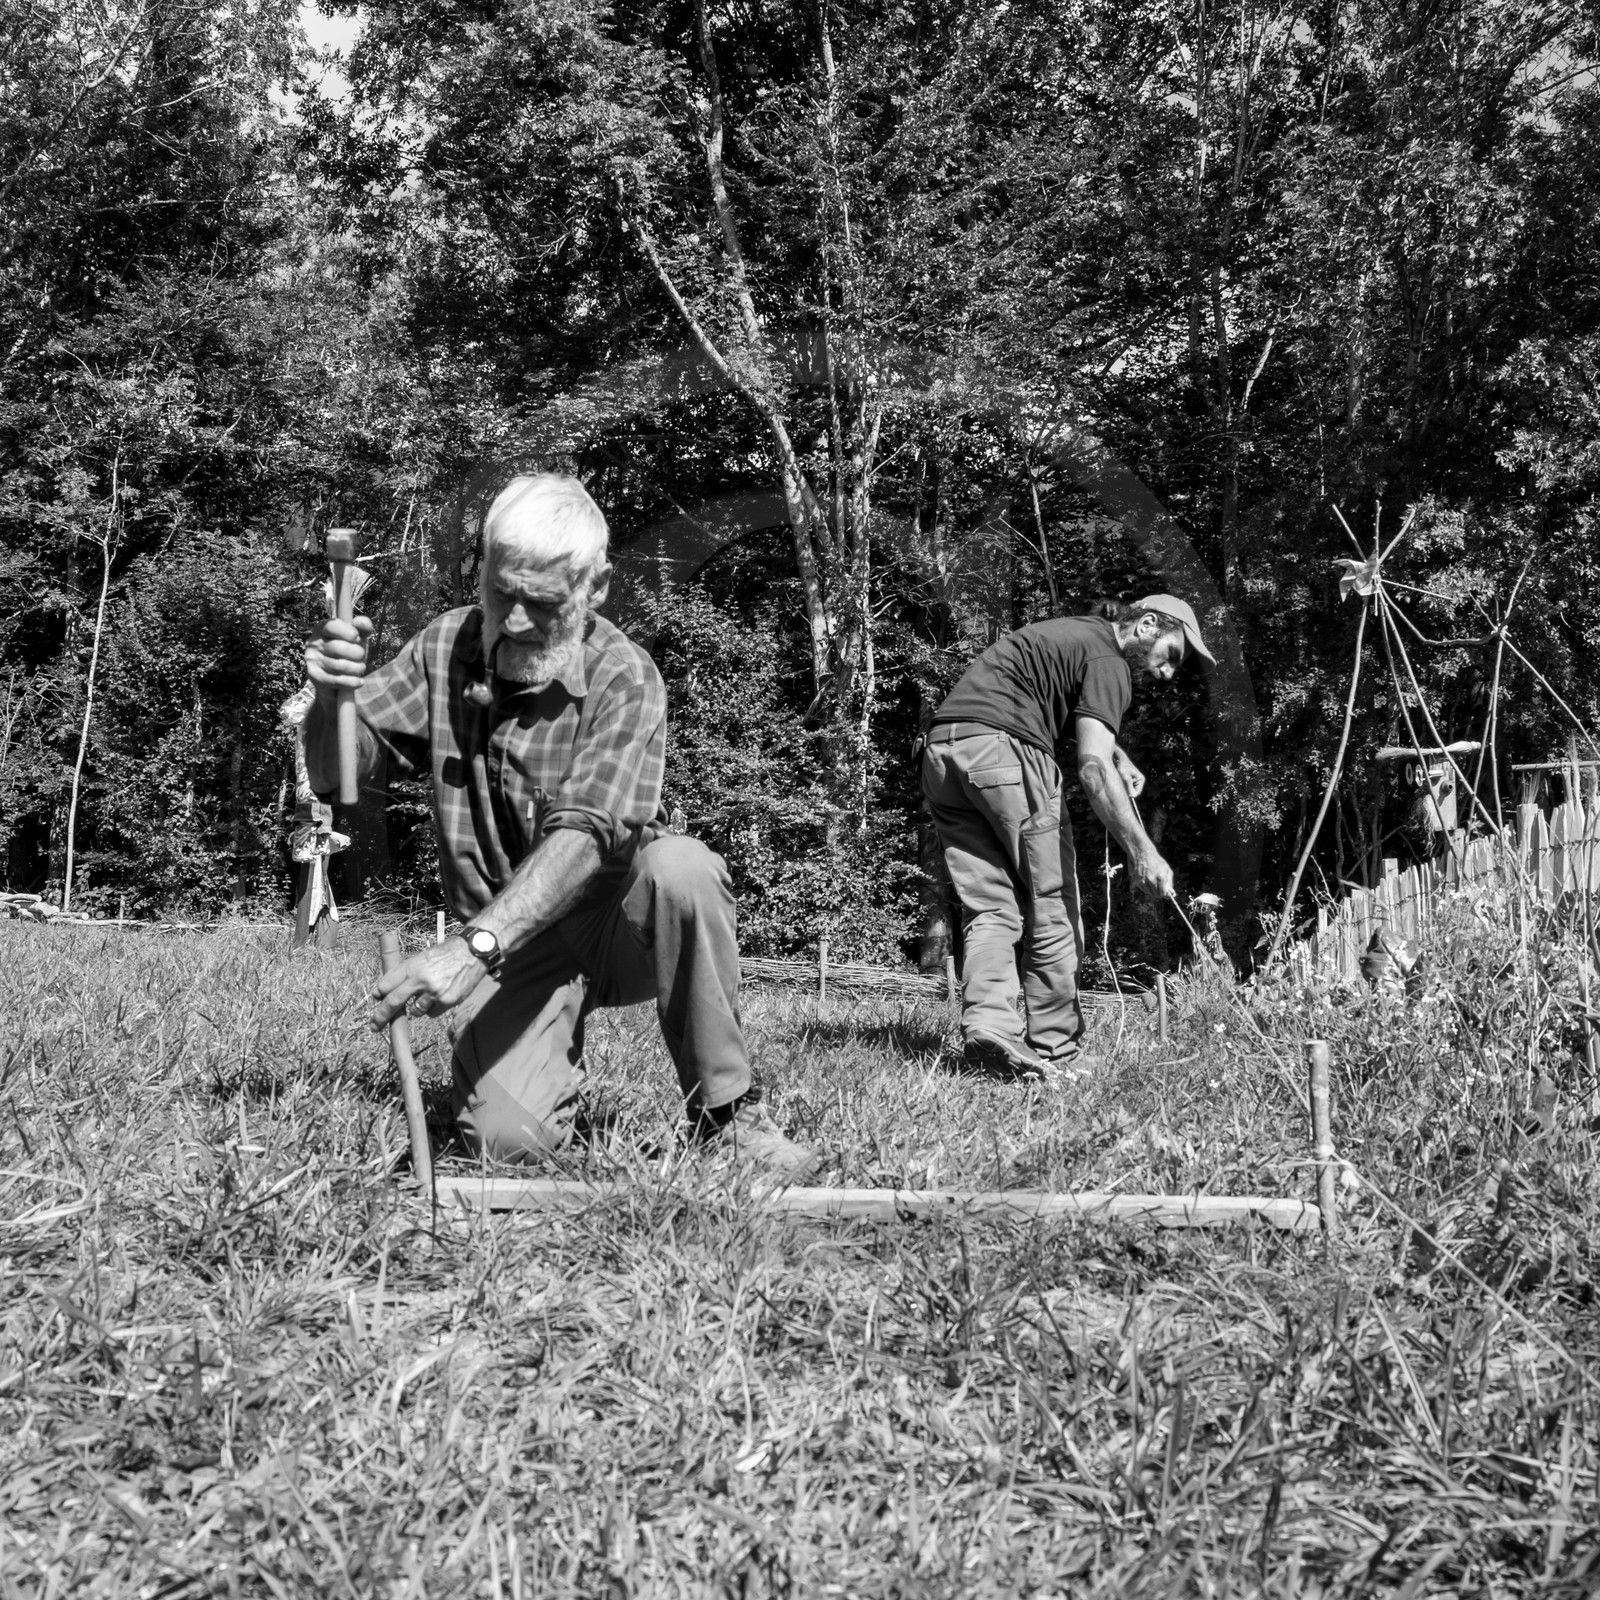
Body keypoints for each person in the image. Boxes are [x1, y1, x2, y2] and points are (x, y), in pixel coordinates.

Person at [303, 472, 819, 1178]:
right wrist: (331, 698)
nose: (515, 621)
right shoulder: (444, 646)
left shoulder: (624, 676)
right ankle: (534, 1063)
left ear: (594, 588)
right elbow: (337, 776)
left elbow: (586, 835)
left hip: (613, 923)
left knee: (682, 870)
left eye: (542, 603)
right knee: (507, 1141)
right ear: (483, 569)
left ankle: (727, 1116)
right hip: (513, 947)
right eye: (501, 593)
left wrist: (470, 948)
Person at [921, 596, 1215, 1080]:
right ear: (1146, 625)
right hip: (1005, 754)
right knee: (1053, 906)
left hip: (942, 756)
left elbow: (1059, 708)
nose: (1168, 673)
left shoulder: (1075, 633)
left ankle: (990, 1028)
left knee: (991, 908)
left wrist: (1118, 754)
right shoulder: (1109, 660)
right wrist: (1143, 852)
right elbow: (1092, 769)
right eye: (1172, 656)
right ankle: (1057, 1050)